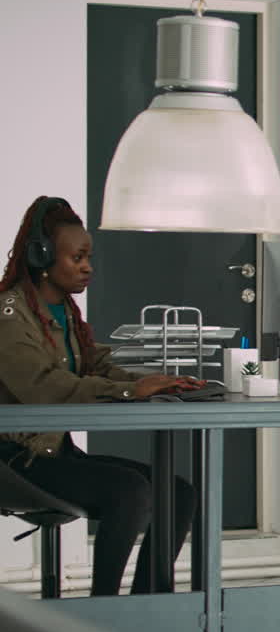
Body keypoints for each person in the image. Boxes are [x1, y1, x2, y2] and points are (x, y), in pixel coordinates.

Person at [0, 196, 200, 596]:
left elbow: (97, 367)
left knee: (178, 492)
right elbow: (44, 387)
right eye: (77, 257)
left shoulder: (66, 314)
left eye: (89, 256)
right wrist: (128, 389)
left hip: (56, 454)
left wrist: (152, 382)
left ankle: (148, 613)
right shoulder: (8, 314)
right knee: (130, 490)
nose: (87, 266)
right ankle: (104, 618)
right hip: (17, 461)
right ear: (41, 257)